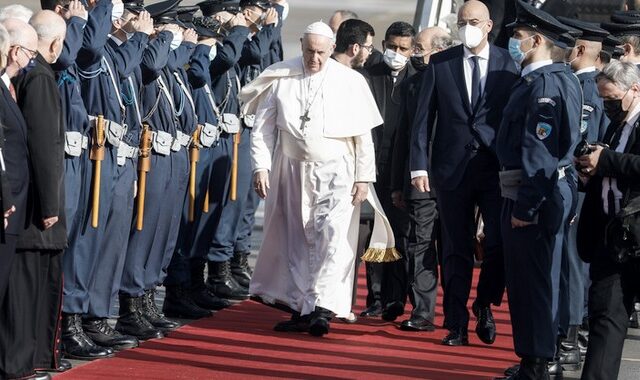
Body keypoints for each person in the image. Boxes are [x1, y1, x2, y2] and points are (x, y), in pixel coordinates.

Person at [242, 21, 394, 337]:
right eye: (309, 51)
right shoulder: (282, 76)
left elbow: (363, 136)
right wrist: (261, 167)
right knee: (296, 239)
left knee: (332, 239)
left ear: (331, 49)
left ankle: (322, 308)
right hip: (292, 170)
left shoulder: (350, 81)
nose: (315, 60)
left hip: (337, 171)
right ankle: (301, 308)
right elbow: (263, 129)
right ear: (301, 45)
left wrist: (364, 177)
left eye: (321, 53)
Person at [410, 0, 518, 346]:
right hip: (451, 169)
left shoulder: (508, 64)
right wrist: (418, 165)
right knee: (455, 249)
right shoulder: (442, 63)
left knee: (498, 244)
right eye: (461, 22)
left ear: (489, 26)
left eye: (473, 21)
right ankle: (455, 323)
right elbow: (424, 119)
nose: (466, 27)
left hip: (493, 168)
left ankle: (484, 303)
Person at [495, 1, 581, 378]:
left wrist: (524, 209)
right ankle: (537, 358)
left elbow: (539, 154)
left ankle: (537, 364)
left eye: (517, 37)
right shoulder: (555, 78)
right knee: (536, 282)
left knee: (531, 285)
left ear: (536, 40)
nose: (513, 43)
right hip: (539, 192)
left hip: (532, 195)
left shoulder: (545, 84)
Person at [8, 10, 67, 379]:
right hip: (35, 212)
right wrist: (51, 205)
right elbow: (44, 145)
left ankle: (26, 360)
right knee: (29, 290)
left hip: (26, 203)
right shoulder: (41, 77)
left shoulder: (32, 74)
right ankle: (24, 362)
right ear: (56, 43)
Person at [575, 60, 640, 380]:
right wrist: (589, 169)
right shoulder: (617, 126)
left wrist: (608, 160)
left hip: (636, 236)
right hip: (612, 240)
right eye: (602, 100)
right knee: (606, 319)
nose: (607, 106)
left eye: (612, 99)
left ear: (635, 91)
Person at [388, 26, 454, 332]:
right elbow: (404, 136)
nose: (414, 54)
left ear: (438, 51)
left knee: (454, 248)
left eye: (419, 48)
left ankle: (457, 315)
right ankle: (423, 311)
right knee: (420, 243)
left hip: (455, 179)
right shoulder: (412, 84)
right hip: (420, 180)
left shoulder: (458, 81)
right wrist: (397, 185)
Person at [556, 16, 611, 371]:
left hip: (578, 187)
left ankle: (568, 340)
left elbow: (590, 143)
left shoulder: (588, 89)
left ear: (578, 49)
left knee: (572, 267)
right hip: (575, 187)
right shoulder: (580, 84)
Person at [360, 21, 416, 323]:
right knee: (376, 235)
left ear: (412, 49)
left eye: (402, 49)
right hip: (373, 168)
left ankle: (397, 298)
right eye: (391, 47)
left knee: (401, 236)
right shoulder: (370, 76)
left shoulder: (416, 79)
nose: (395, 53)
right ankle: (376, 298)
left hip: (402, 172)